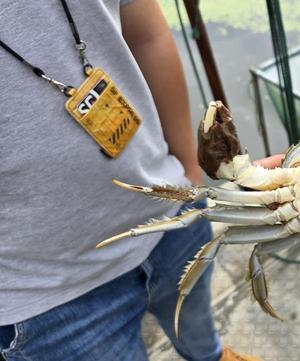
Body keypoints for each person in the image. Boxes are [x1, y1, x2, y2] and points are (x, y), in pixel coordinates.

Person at [0, 1, 259, 360]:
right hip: (42, 294)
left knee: (199, 328)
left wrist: (188, 169)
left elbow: (147, 33)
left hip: (173, 215)